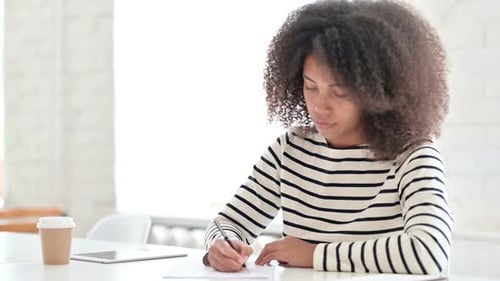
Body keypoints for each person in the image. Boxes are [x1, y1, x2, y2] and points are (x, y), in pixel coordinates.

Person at [203, 0, 453, 275]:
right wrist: (220, 247)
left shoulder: (412, 154)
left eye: (339, 92)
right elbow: (228, 223)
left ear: (379, 90)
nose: (320, 106)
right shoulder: (290, 150)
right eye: (311, 87)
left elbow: (429, 251)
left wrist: (314, 253)